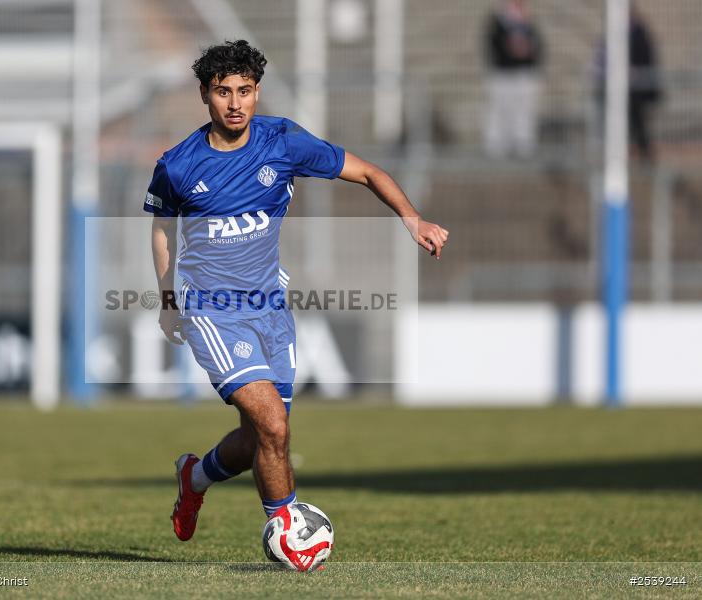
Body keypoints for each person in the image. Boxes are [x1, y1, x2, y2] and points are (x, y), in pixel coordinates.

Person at [144, 40, 448, 560]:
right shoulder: (177, 166)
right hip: (211, 310)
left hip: (270, 306)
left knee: (262, 436)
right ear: (205, 95)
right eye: (223, 92)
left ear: (257, 91)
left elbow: (368, 172)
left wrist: (412, 219)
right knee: (274, 425)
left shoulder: (282, 141)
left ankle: (194, 477)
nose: (235, 103)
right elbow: (162, 230)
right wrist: (168, 299)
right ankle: (290, 530)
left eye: (244, 90)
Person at [592, 4, 663, 162]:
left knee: (637, 123)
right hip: (627, 90)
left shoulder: (638, 32)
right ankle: (634, 153)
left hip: (637, 90)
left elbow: (644, 58)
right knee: (628, 123)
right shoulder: (619, 32)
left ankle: (644, 154)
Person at [483, 0, 544, 158]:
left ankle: (523, 143)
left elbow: (538, 48)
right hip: (503, 74)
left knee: (524, 110)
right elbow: (494, 48)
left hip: (524, 74)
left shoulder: (529, 26)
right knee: (501, 110)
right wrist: (512, 51)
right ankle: (497, 145)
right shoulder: (497, 25)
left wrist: (525, 52)